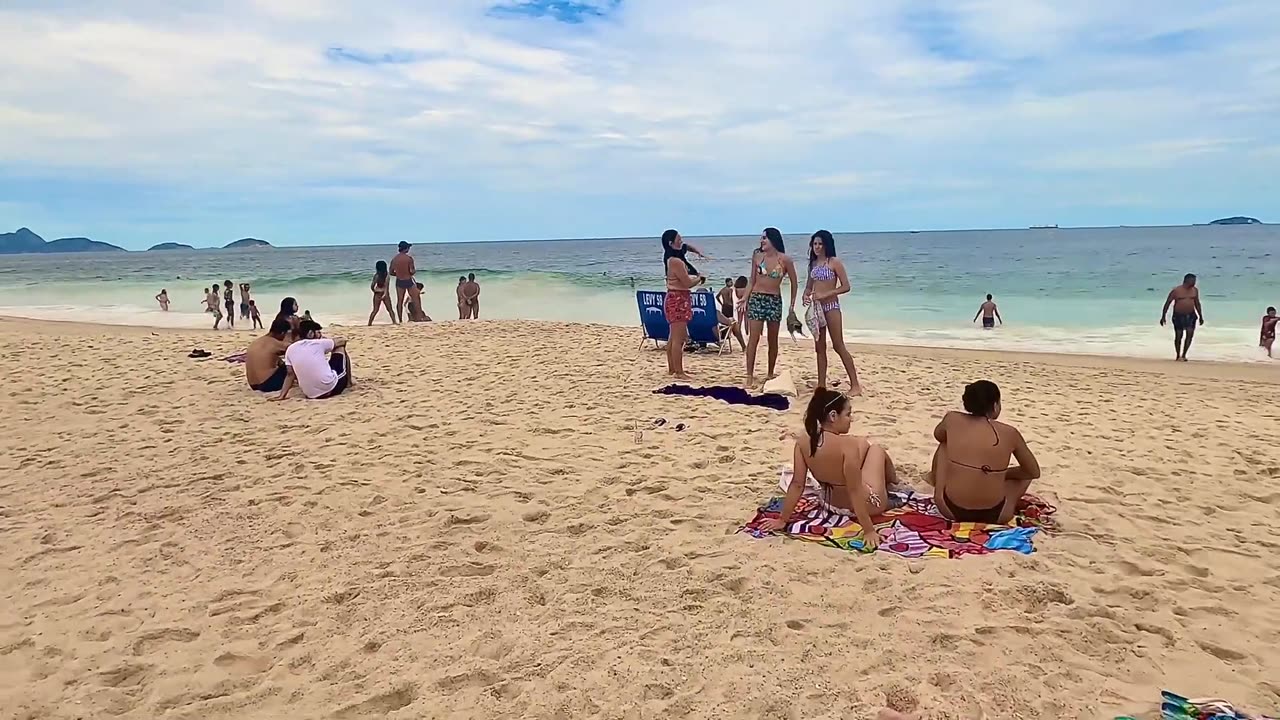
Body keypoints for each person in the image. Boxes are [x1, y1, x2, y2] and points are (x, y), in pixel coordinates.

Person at [760, 388, 896, 549]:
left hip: (829, 504)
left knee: (863, 447)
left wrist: (783, 519)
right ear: (833, 416)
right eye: (848, 414)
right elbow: (855, 491)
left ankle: (892, 481)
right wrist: (868, 530)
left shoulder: (804, 441)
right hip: (867, 506)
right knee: (876, 450)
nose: (850, 419)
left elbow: (797, 484)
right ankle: (895, 482)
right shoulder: (848, 445)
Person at [926, 380, 1041, 524]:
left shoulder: (952, 418)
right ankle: (998, 488)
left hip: (949, 509)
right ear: (995, 405)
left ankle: (936, 483)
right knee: (1025, 475)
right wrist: (1000, 474)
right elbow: (1034, 472)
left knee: (944, 444)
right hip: (997, 514)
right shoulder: (1010, 432)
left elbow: (938, 435)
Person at [804, 230, 863, 395]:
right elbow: (809, 285)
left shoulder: (834, 262)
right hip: (817, 309)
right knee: (819, 347)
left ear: (826, 245)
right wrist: (805, 294)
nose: (817, 247)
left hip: (831, 307)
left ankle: (855, 385)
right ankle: (821, 384)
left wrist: (826, 294)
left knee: (838, 345)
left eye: (820, 244)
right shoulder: (813, 264)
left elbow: (846, 286)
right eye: (814, 244)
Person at [743, 227, 798, 388]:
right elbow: (751, 281)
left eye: (765, 238)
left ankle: (770, 373)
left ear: (773, 240)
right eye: (761, 238)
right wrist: (745, 298)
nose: (761, 240)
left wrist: (792, 305)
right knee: (754, 338)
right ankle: (749, 375)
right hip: (757, 298)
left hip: (774, 300)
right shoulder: (757, 256)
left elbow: (794, 283)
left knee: (772, 340)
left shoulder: (785, 260)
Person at [273, 319, 353, 400]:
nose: (320, 335)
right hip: (331, 388)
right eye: (318, 332)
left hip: (311, 394)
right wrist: (325, 341)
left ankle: (283, 395)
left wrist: (282, 395)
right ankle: (349, 382)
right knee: (340, 347)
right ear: (311, 333)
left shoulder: (290, 349)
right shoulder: (317, 343)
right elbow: (342, 341)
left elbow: (290, 375)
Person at [662, 229, 703, 378]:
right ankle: (679, 372)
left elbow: (686, 247)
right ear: (671, 243)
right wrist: (700, 278)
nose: (681, 241)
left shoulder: (670, 258)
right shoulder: (676, 261)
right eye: (678, 239)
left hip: (674, 298)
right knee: (678, 339)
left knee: (673, 338)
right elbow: (687, 283)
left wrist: (697, 252)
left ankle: (673, 369)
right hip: (678, 300)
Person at [1160, 273, 1204, 361]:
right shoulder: (1176, 291)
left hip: (1191, 315)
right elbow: (1168, 303)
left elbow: (1197, 303)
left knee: (1189, 334)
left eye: (1195, 281)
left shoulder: (1195, 290)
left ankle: (1184, 355)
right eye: (1193, 281)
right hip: (1178, 315)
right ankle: (1178, 355)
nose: (1195, 282)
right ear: (1187, 280)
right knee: (1178, 336)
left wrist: (1200, 316)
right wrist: (1163, 316)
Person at [245, 318, 293, 392]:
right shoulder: (274, 343)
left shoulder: (256, 342)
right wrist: (290, 335)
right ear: (282, 333)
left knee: (275, 359)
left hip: (253, 385)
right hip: (268, 384)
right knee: (292, 365)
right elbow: (295, 348)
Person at [390, 240, 419, 324]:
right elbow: (412, 271)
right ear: (405, 248)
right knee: (415, 299)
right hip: (408, 280)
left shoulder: (394, 259)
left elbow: (391, 272)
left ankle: (400, 319)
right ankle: (418, 317)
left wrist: (399, 274)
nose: (409, 249)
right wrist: (411, 272)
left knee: (400, 301)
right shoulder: (409, 258)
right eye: (408, 247)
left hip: (399, 280)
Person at [369, 260, 396, 326]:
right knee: (390, 309)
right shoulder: (387, 275)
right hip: (385, 293)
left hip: (377, 293)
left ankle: (369, 323)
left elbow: (372, 285)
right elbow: (387, 286)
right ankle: (394, 322)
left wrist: (374, 291)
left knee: (375, 310)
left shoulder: (376, 275)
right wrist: (385, 294)